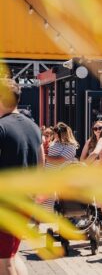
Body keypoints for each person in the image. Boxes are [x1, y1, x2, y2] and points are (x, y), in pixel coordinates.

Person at [0, 79, 44, 275]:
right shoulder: (34, 128)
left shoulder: (1, 127)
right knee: (12, 255)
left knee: (4, 262)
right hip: (26, 202)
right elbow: (41, 166)